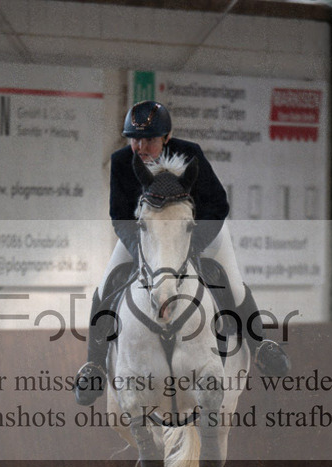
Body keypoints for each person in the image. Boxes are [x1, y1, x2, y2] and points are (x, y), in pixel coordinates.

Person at [73, 100, 290, 406]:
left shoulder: (190, 155)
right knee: (106, 284)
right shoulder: (122, 161)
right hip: (145, 237)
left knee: (232, 283)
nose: (139, 146)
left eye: (148, 139)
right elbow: (119, 215)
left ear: (166, 137)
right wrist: (145, 249)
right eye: (133, 138)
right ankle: (94, 364)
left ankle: (260, 346)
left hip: (199, 231)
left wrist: (190, 243)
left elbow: (218, 205)